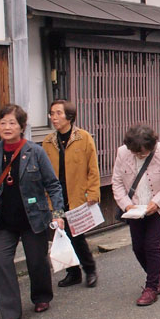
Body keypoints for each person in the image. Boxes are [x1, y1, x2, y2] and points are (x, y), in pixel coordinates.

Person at [0, 104, 65, 319]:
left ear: (22, 126)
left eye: (12, 123)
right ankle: (10, 313)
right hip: (3, 220)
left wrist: (58, 213)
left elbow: (52, 184)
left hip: (33, 218)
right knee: (1, 263)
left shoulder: (35, 151)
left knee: (36, 261)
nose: (7, 127)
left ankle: (41, 296)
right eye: (3, 123)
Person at [112, 124, 160, 306]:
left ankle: (151, 288)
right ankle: (155, 274)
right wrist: (127, 206)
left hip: (158, 207)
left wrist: (157, 202)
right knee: (137, 247)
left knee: (151, 245)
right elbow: (117, 183)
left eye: (143, 153)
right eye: (136, 153)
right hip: (134, 209)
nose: (139, 156)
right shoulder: (122, 153)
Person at [42, 99, 100, 289]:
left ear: (69, 116)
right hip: (57, 196)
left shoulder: (83, 137)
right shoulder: (48, 141)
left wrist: (93, 192)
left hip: (78, 193)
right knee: (62, 234)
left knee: (77, 234)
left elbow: (92, 167)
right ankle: (73, 272)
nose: (54, 117)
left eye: (58, 113)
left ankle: (89, 269)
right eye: (52, 113)